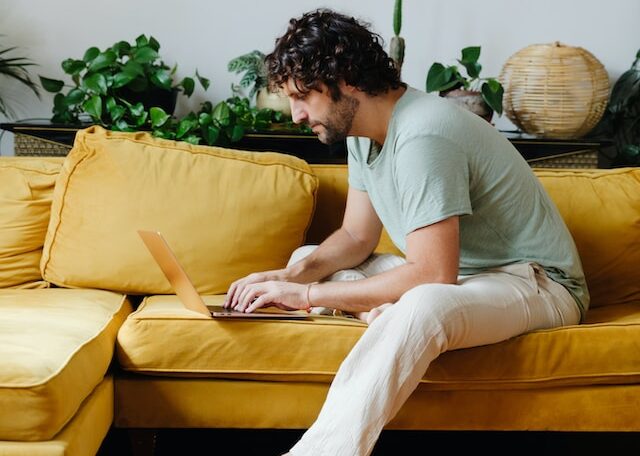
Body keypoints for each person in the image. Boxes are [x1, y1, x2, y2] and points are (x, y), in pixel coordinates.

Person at [223, 8, 589, 456]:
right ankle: (381, 314)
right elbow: (357, 237)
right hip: (467, 282)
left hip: (534, 283)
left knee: (423, 302)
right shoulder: (360, 132)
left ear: (347, 78)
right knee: (311, 255)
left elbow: (434, 274)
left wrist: (307, 297)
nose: (296, 114)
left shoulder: (423, 133)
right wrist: (287, 278)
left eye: (304, 96)